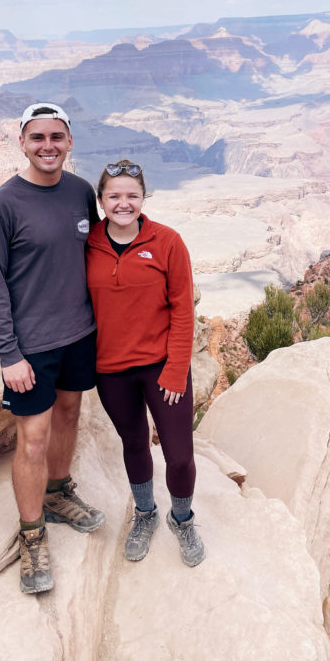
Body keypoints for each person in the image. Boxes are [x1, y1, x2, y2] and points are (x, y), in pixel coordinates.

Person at [0, 102, 105, 595]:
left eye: (57, 137)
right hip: (30, 348)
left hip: (79, 334)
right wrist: (9, 354)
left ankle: (58, 491)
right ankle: (32, 535)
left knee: (70, 413)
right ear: (22, 142)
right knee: (31, 438)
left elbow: (93, 252)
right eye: (38, 138)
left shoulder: (78, 193)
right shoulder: (0, 207)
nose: (47, 146)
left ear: (70, 142)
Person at [85, 160, 205, 567]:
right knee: (134, 443)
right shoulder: (87, 244)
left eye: (132, 196)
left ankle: (183, 519)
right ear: (101, 200)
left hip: (161, 368)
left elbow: (183, 309)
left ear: (143, 198)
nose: (123, 203)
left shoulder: (167, 241)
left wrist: (175, 369)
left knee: (179, 454)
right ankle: (145, 514)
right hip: (111, 370)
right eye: (114, 196)